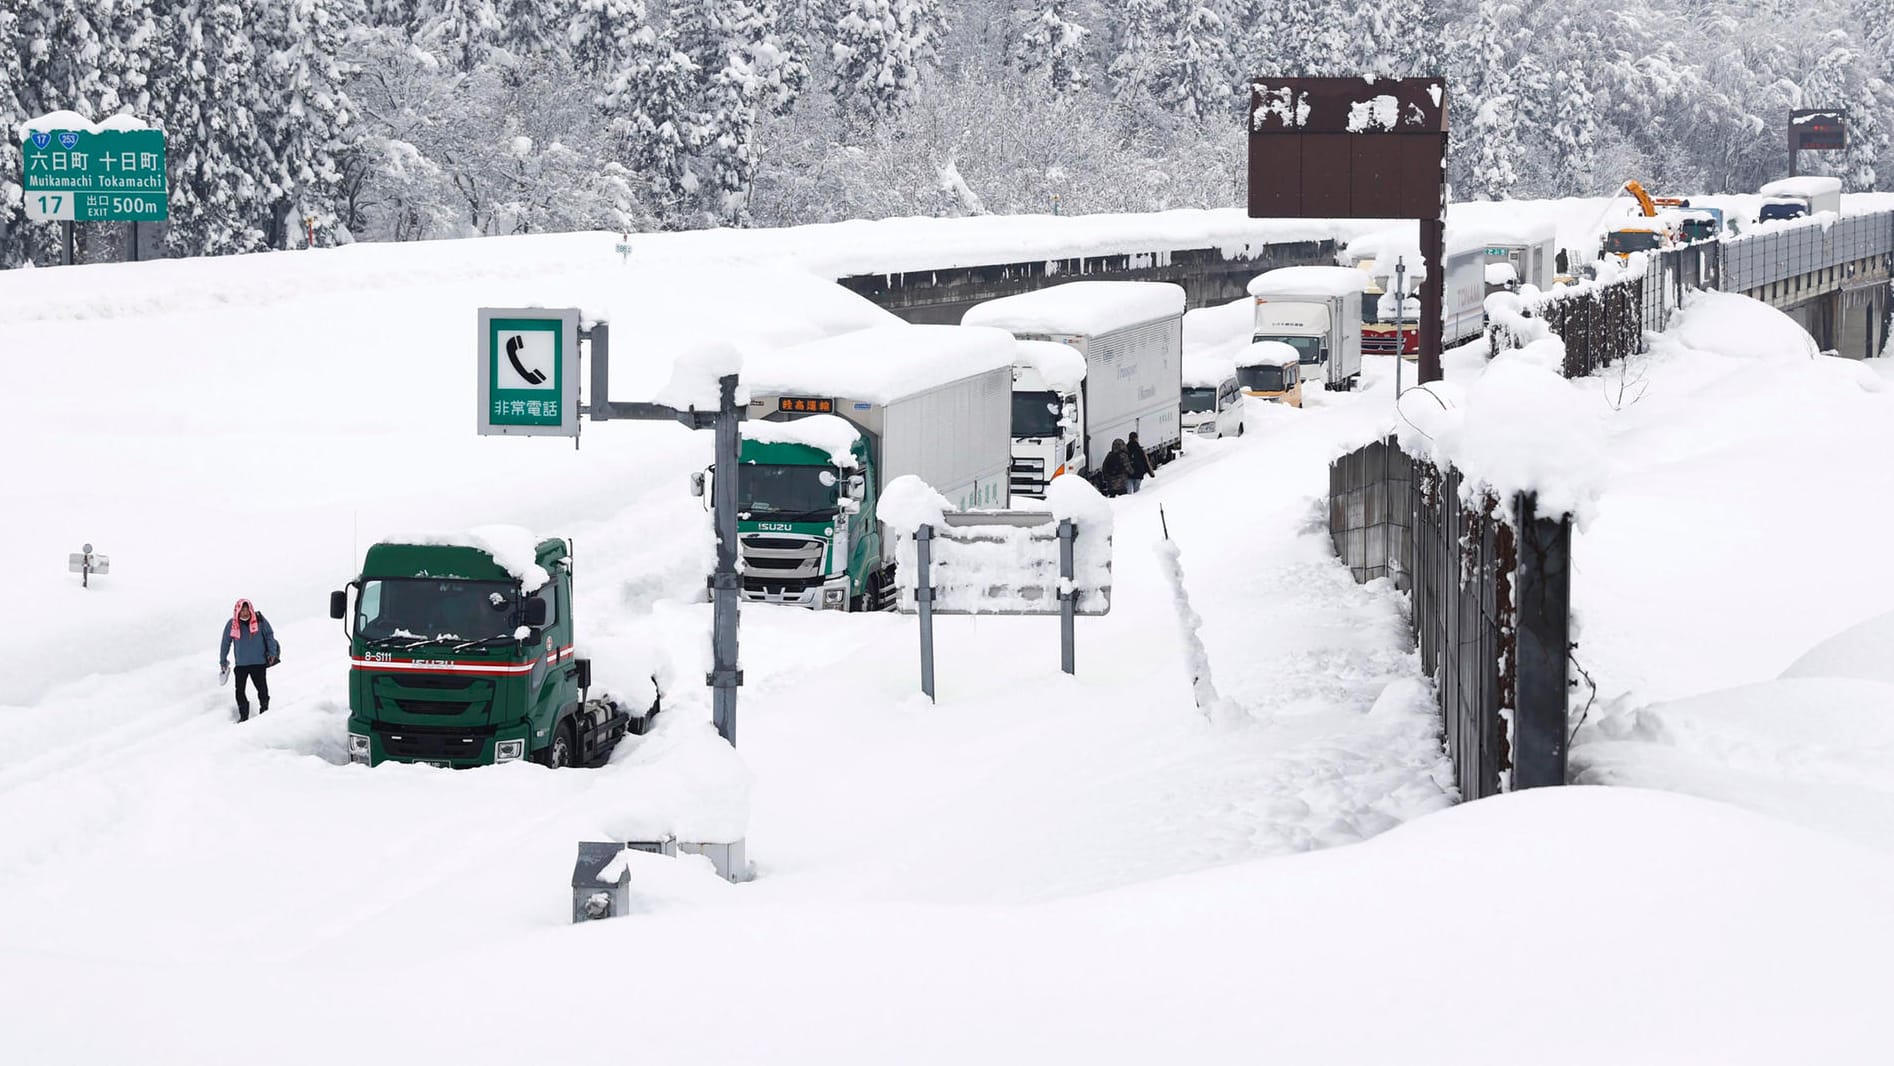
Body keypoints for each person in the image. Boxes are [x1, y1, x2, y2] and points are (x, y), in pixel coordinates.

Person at [219, 597, 280, 721]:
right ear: (237, 611)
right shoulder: (232, 624)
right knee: (239, 692)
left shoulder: (260, 621)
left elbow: (269, 636)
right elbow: (225, 642)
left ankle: (264, 711)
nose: (245, 613)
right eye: (242, 610)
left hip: (259, 663)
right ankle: (243, 716)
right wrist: (223, 660)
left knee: (262, 690)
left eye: (247, 610)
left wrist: (272, 653)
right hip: (241, 665)